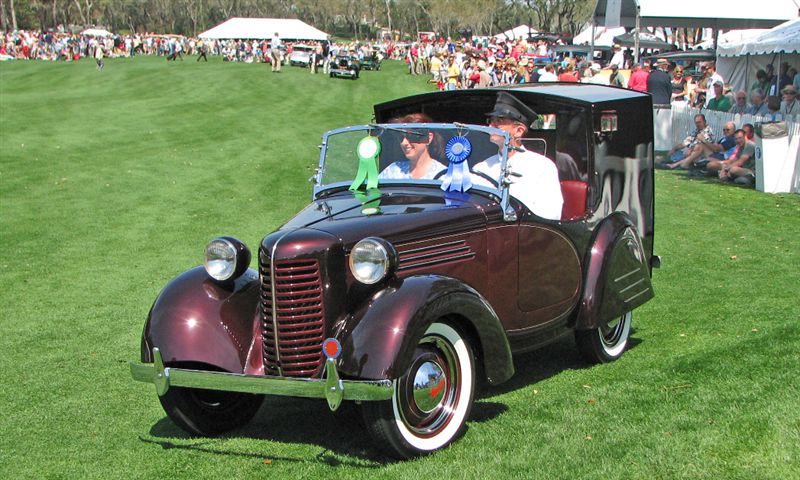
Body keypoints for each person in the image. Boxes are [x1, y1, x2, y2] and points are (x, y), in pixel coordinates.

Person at [472, 92, 563, 220]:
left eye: (499, 121)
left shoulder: (542, 167)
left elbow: (551, 213)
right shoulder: (481, 168)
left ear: (519, 131)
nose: (490, 126)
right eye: (491, 120)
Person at [379, 113, 447, 180]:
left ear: (429, 138)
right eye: (401, 137)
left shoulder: (443, 175)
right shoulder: (392, 171)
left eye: (411, 136)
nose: (404, 143)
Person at [667, 121, 736, 171]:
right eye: (724, 130)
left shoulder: (731, 139)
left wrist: (703, 140)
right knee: (699, 147)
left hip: (723, 159)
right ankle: (681, 164)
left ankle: (679, 164)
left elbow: (716, 149)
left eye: (728, 130)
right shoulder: (725, 138)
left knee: (700, 147)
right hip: (717, 155)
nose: (725, 131)